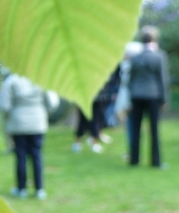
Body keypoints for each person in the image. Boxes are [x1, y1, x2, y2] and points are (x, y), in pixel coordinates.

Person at [0, 72, 58, 199]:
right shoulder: (41, 78)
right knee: (37, 155)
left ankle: (21, 189)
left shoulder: (12, 80)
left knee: (21, 156)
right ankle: (39, 189)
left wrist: (10, 115)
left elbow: (4, 104)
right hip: (37, 122)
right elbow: (52, 102)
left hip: (18, 122)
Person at [127, 26, 169, 167]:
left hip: (136, 96)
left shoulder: (135, 57)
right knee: (154, 130)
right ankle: (155, 162)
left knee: (135, 128)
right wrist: (164, 99)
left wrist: (130, 97)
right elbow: (163, 80)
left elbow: (130, 79)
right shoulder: (159, 56)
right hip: (153, 96)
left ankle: (134, 160)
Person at [72, 71, 118, 154]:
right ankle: (79, 142)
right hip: (86, 97)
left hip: (97, 97)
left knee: (96, 120)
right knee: (84, 120)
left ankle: (93, 141)